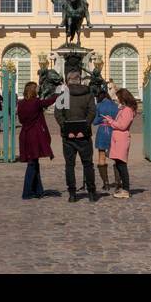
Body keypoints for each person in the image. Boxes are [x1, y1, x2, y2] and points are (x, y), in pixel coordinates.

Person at [54, 69, 99, 202]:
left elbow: (58, 114)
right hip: (84, 134)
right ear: (79, 80)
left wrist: (65, 126)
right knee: (88, 164)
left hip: (68, 135)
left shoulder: (63, 95)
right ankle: (91, 192)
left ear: (68, 81)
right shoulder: (88, 94)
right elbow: (92, 111)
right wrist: (85, 124)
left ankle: (72, 194)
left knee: (69, 165)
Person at [16, 81, 57, 199]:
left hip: (25, 134)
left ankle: (38, 190)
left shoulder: (21, 103)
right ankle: (27, 192)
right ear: (33, 91)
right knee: (32, 164)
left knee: (34, 162)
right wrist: (57, 95)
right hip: (34, 136)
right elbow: (48, 102)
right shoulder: (36, 103)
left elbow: (21, 120)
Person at [102, 88, 138, 199]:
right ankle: (123, 188)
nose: (116, 99)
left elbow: (122, 126)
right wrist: (110, 120)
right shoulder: (124, 109)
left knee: (122, 165)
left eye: (117, 97)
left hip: (121, 140)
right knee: (119, 164)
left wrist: (111, 122)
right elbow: (119, 123)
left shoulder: (127, 110)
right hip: (118, 140)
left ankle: (126, 190)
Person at [93, 87, 120, 191]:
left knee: (101, 155)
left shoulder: (98, 106)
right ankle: (118, 182)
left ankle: (106, 183)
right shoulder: (115, 106)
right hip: (113, 131)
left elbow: (94, 121)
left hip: (102, 131)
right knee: (116, 157)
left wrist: (102, 118)